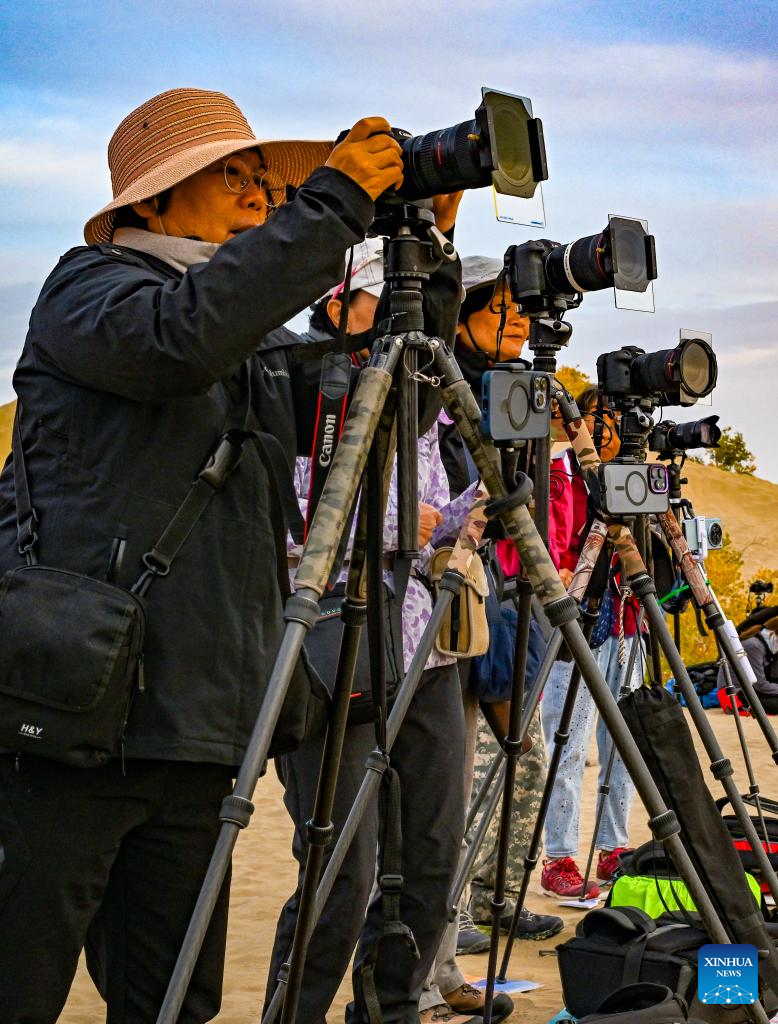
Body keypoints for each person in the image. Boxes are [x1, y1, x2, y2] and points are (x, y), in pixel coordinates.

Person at [0, 87, 405, 1023]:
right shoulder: (89, 290)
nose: (261, 192)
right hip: (70, 721)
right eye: (234, 175)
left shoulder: (250, 338)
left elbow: (356, 417)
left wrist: (420, 261)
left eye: (267, 178)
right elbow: (181, 338)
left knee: (176, 1002)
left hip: (195, 729)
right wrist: (334, 206)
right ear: (150, 201)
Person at [266, 238, 489, 1024]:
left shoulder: (419, 396)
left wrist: (478, 510)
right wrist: (411, 522)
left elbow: (429, 514)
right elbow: (301, 516)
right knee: (340, 874)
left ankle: (389, 1012)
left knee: (429, 865)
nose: (400, 318)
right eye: (381, 301)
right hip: (332, 647)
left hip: (421, 648)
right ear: (337, 303)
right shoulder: (301, 380)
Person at [539, 385, 645, 899]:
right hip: (575, 622)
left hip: (628, 624)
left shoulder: (634, 482)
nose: (609, 430)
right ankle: (558, 856)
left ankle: (612, 849)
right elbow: (553, 554)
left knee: (625, 746)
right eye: (600, 418)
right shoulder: (561, 475)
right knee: (569, 744)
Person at [719, 615, 778, 713]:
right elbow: (759, 684)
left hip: (747, 691)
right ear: (772, 633)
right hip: (734, 695)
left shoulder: (763, 646)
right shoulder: (754, 645)